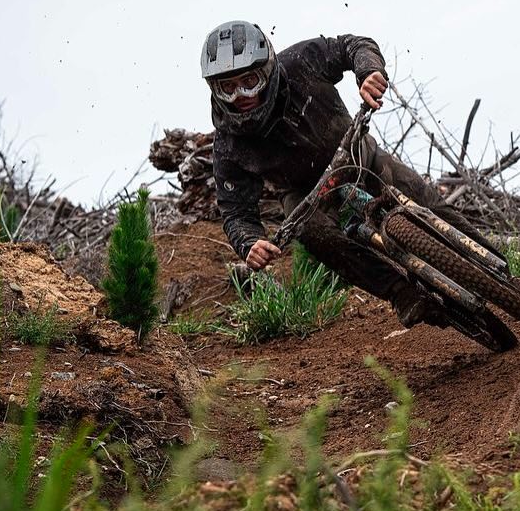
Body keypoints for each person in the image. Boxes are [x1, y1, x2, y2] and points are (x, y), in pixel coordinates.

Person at [203, 21, 489, 328]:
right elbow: (235, 211)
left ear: (268, 70)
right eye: (228, 88)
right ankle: (401, 293)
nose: (241, 95)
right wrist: (250, 243)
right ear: (214, 89)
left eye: (250, 80)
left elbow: (353, 45)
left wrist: (369, 73)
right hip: (306, 196)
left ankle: (500, 271)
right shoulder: (228, 144)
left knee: (424, 198)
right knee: (311, 233)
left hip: (357, 155)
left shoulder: (302, 61)